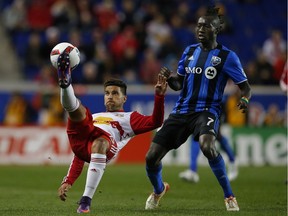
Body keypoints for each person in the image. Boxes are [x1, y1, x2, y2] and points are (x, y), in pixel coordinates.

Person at [144, 7, 251, 212]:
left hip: (207, 111)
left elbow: (246, 87)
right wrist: (169, 78)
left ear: (216, 29)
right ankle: (159, 190)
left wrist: (245, 100)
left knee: (207, 146)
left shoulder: (228, 56)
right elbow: (180, 84)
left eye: (206, 26)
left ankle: (229, 196)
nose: (200, 29)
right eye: (198, 25)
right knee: (151, 157)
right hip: (182, 111)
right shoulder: (189, 51)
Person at [55, 50, 168, 213]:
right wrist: (68, 181)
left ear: (124, 99)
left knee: (99, 141)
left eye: (115, 93)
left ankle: (86, 200)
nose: (109, 97)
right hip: (81, 142)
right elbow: (79, 157)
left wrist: (159, 97)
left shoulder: (130, 118)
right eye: (107, 93)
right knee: (76, 110)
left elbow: (156, 122)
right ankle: (65, 84)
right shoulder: (94, 116)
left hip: (106, 145)